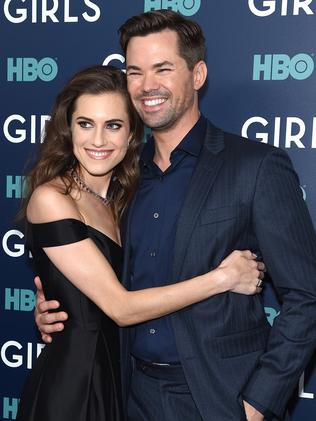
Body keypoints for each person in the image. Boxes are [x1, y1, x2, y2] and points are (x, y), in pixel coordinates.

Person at [34, 10, 316, 421]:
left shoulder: (255, 166)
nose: (148, 86)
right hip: (126, 394)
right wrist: (59, 306)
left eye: (163, 69)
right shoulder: (122, 181)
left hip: (219, 399)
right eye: (135, 71)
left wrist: (258, 404)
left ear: (197, 74)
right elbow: (102, 281)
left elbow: (306, 296)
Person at [16, 64, 264, 421]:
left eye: (113, 125)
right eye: (85, 123)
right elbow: (120, 307)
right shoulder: (52, 199)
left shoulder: (126, 200)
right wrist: (222, 279)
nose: (98, 140)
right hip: (74, 387)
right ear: (67, 129)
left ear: (133, 132)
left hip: (124, 381)